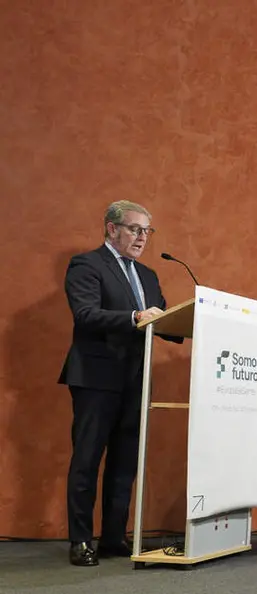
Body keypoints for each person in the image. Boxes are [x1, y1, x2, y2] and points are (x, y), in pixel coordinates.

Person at [59, 200, 173, 567]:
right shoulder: (86, 265)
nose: (142, 238)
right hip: (96, 378)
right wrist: (136, 315)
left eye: (147, 231)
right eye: (135, 229)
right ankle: (79, 540)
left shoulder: (149, 276)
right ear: (111, 229)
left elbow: (166, 318)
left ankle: (112, 538)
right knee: (87, 460)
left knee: (125, 463)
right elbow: (86, 314)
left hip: (136, 380)